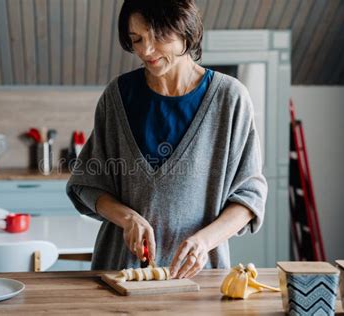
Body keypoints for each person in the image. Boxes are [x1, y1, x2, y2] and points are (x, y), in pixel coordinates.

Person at [66, 0, 267, 279]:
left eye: (159, 37)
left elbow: (249, 198)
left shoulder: (230, 99)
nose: (146, 51)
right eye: (137, 39)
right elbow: (86, 185)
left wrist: (204, 242)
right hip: (118, 274)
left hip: (198, 277)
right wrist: (128, 218)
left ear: (186, 30)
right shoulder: (118, 97)